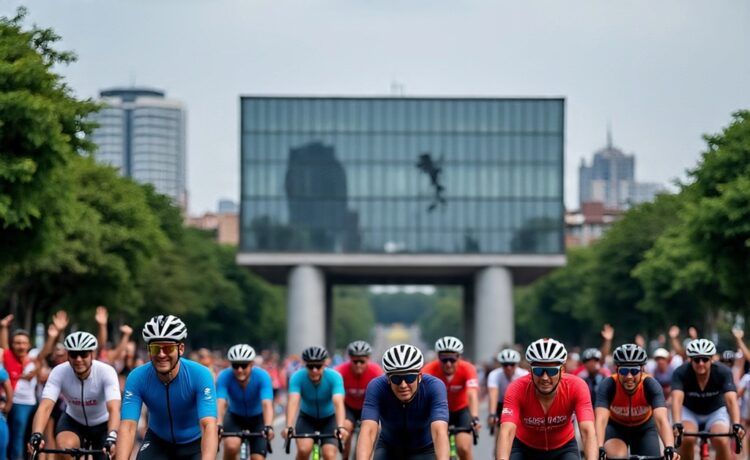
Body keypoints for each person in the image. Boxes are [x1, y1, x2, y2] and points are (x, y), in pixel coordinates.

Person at [117, 315, 218, 460]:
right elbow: (128, 427)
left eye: (168, 348)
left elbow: (208, 426)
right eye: (155, 348)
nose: (161, 354)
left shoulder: (200, 374)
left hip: (194, 444)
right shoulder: (137, 377)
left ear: (180, 349)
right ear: (148, 350)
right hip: (158, 442)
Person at [496, 338, 597, 460]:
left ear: (562, 370)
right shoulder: (516, 388)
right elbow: (507, 432)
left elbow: (587, 431)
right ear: (530, 371)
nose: (545, 378)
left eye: (551, 371)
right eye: (538, 371)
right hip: (524, 448)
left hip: (563, 448)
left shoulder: (577, 386)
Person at [28, 331, 121, 456]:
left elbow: (114, 408)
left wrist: (112, 436)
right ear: (68, 355)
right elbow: (45, 407)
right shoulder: (59, 372)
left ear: (92, 354)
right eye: (73, 354)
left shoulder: (106, 371)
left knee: (111, 454)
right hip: (74, 421)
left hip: (103, 423)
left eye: (83, 354)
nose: (78, 359)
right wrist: (36, 434)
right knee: (64, 449)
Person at [356, 344, 449, 460]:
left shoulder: (434, 386)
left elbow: (439, 432)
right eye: (396, 379)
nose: (403, 385)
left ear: (419, 377)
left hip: (424, 450)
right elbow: (368, 431)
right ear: (388, 379)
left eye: (410, 377)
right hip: (389, 448)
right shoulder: (376, 387)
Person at [595, 344, 678, 460]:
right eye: (624, 371)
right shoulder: (608, 384)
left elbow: (661, 420)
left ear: (642, 370)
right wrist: (599, 446)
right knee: (616, 456)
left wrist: (669, 447)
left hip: (644, 429)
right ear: (617, 370)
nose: (629, 376)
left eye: (634, 371)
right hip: (616, 428)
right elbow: (601, 420)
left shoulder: (650, 385)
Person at [671, 338, 744, 460]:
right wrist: (677, 423)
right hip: (690, 411)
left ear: (711, 359)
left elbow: (731, 400)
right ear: (690, 360)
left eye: (705, 359)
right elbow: (677, 400)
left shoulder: (723, 372)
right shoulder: (681, 372)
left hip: (715, 411)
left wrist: (736, 423)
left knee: (721, 440)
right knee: (687, 438)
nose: (701, 363)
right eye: (696, 360)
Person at [282, 346, 345, 460]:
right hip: (307, 418)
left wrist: (341, 426)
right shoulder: (297, 377)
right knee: (303, 450)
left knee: (329, 454)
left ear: (325, 364)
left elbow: (338, 402)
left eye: (318, 366)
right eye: (310, 366)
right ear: (304, 365)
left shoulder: (334, 377)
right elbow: (293, 402)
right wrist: (289, 426)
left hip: (329, 419)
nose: (314, 370)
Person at [422, 336, 479, 460]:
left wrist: (475, 417)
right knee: (439, 452)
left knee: (463, 448)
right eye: (444, 359)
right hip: (438, 412)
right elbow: (423, 396)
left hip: (461, 411)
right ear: (438, 357)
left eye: (452, 359)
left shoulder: (468, 368)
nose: (448, 364)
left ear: (459, 357)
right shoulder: (428, 370)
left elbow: (472, 393)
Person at [216, 344, 274, 460]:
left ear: (251, 364)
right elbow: (220, 402)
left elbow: (267, 404)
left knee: (257, 458)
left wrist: (268, 426)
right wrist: (218, 424)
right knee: (231, 446)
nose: (239, 370)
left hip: (257, 418)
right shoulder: (224, 376)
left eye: (244, 365)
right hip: (235, 416)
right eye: (235, 365)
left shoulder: (262, 376)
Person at [334, 340, 383, 459]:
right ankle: (345, 456)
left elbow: (383, 396)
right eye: (355, 361)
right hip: (348, 407)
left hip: (367, 407)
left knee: (375, 429)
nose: (358, 365)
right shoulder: (340, 371)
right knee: (346, 428)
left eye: (362, 361)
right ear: (350, 359)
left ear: (368, 359)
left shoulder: (376, 371)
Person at [486, 349, 528, 433]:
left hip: (519, 403)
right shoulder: (494, 374)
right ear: (501, 365)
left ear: (517, 364)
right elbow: (493, 395)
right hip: (501, 403)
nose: (509, 367)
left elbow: (528, 395)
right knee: (501, 430)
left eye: (512, 364)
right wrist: (492, 414)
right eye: (505, 365)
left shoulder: (524, 374)